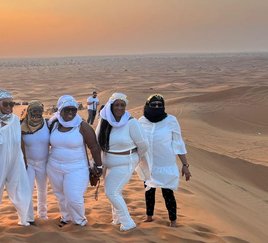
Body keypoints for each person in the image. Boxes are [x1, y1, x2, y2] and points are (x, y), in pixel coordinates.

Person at [47, 95, 103, 227]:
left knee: (73, 197)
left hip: (77, 168)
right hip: (54, 167)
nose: (70, 112)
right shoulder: (53, 124)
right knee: (61, 196)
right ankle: (66, 218)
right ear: (60, 110)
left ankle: (79, 221)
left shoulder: (83, 126)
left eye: (74, 109)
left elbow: (94, 147)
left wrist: (99, 166)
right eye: (67, 109)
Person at [96, 93, 148, 231]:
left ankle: (128, 222)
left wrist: (134, 158)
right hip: (107, 162)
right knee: (115, 191)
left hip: (125, 162)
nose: (119, 108)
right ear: (111, 106)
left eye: (122, 105)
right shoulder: (104, 121)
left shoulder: (131, 122)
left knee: (111, 192)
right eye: (117, 105)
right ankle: (117, 219)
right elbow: (97, 140)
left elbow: (143, 144)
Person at [138, 94, 191, 227]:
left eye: (160, 105)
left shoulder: (171, 121)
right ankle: (149, 216)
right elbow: (136, 142)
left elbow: (178, 143)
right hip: (148, 164)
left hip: (165, 164)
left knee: (168, 193)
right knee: (149, 192)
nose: (157, 107)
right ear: (147, 106)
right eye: (153, 105)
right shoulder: (141, 121)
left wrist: (185, 165)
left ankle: (173, 221)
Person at [0, 90, 31, 226]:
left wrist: (23, 161)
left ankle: (24, 219)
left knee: (21, 189)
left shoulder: (14, 120)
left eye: (11, 104)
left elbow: (20, 141)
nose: (9, 107)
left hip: (15, 160)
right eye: (5, 104)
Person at [20, 100, 50, 221]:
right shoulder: (21, 125)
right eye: (34, 111)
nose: (37, 114)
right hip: (29, 164)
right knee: (28, 189)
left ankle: (42, 214)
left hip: (43, 163)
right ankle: (27, 216)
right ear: (29, 111)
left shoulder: (48, 124)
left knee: (42, 189)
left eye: (40, 111)